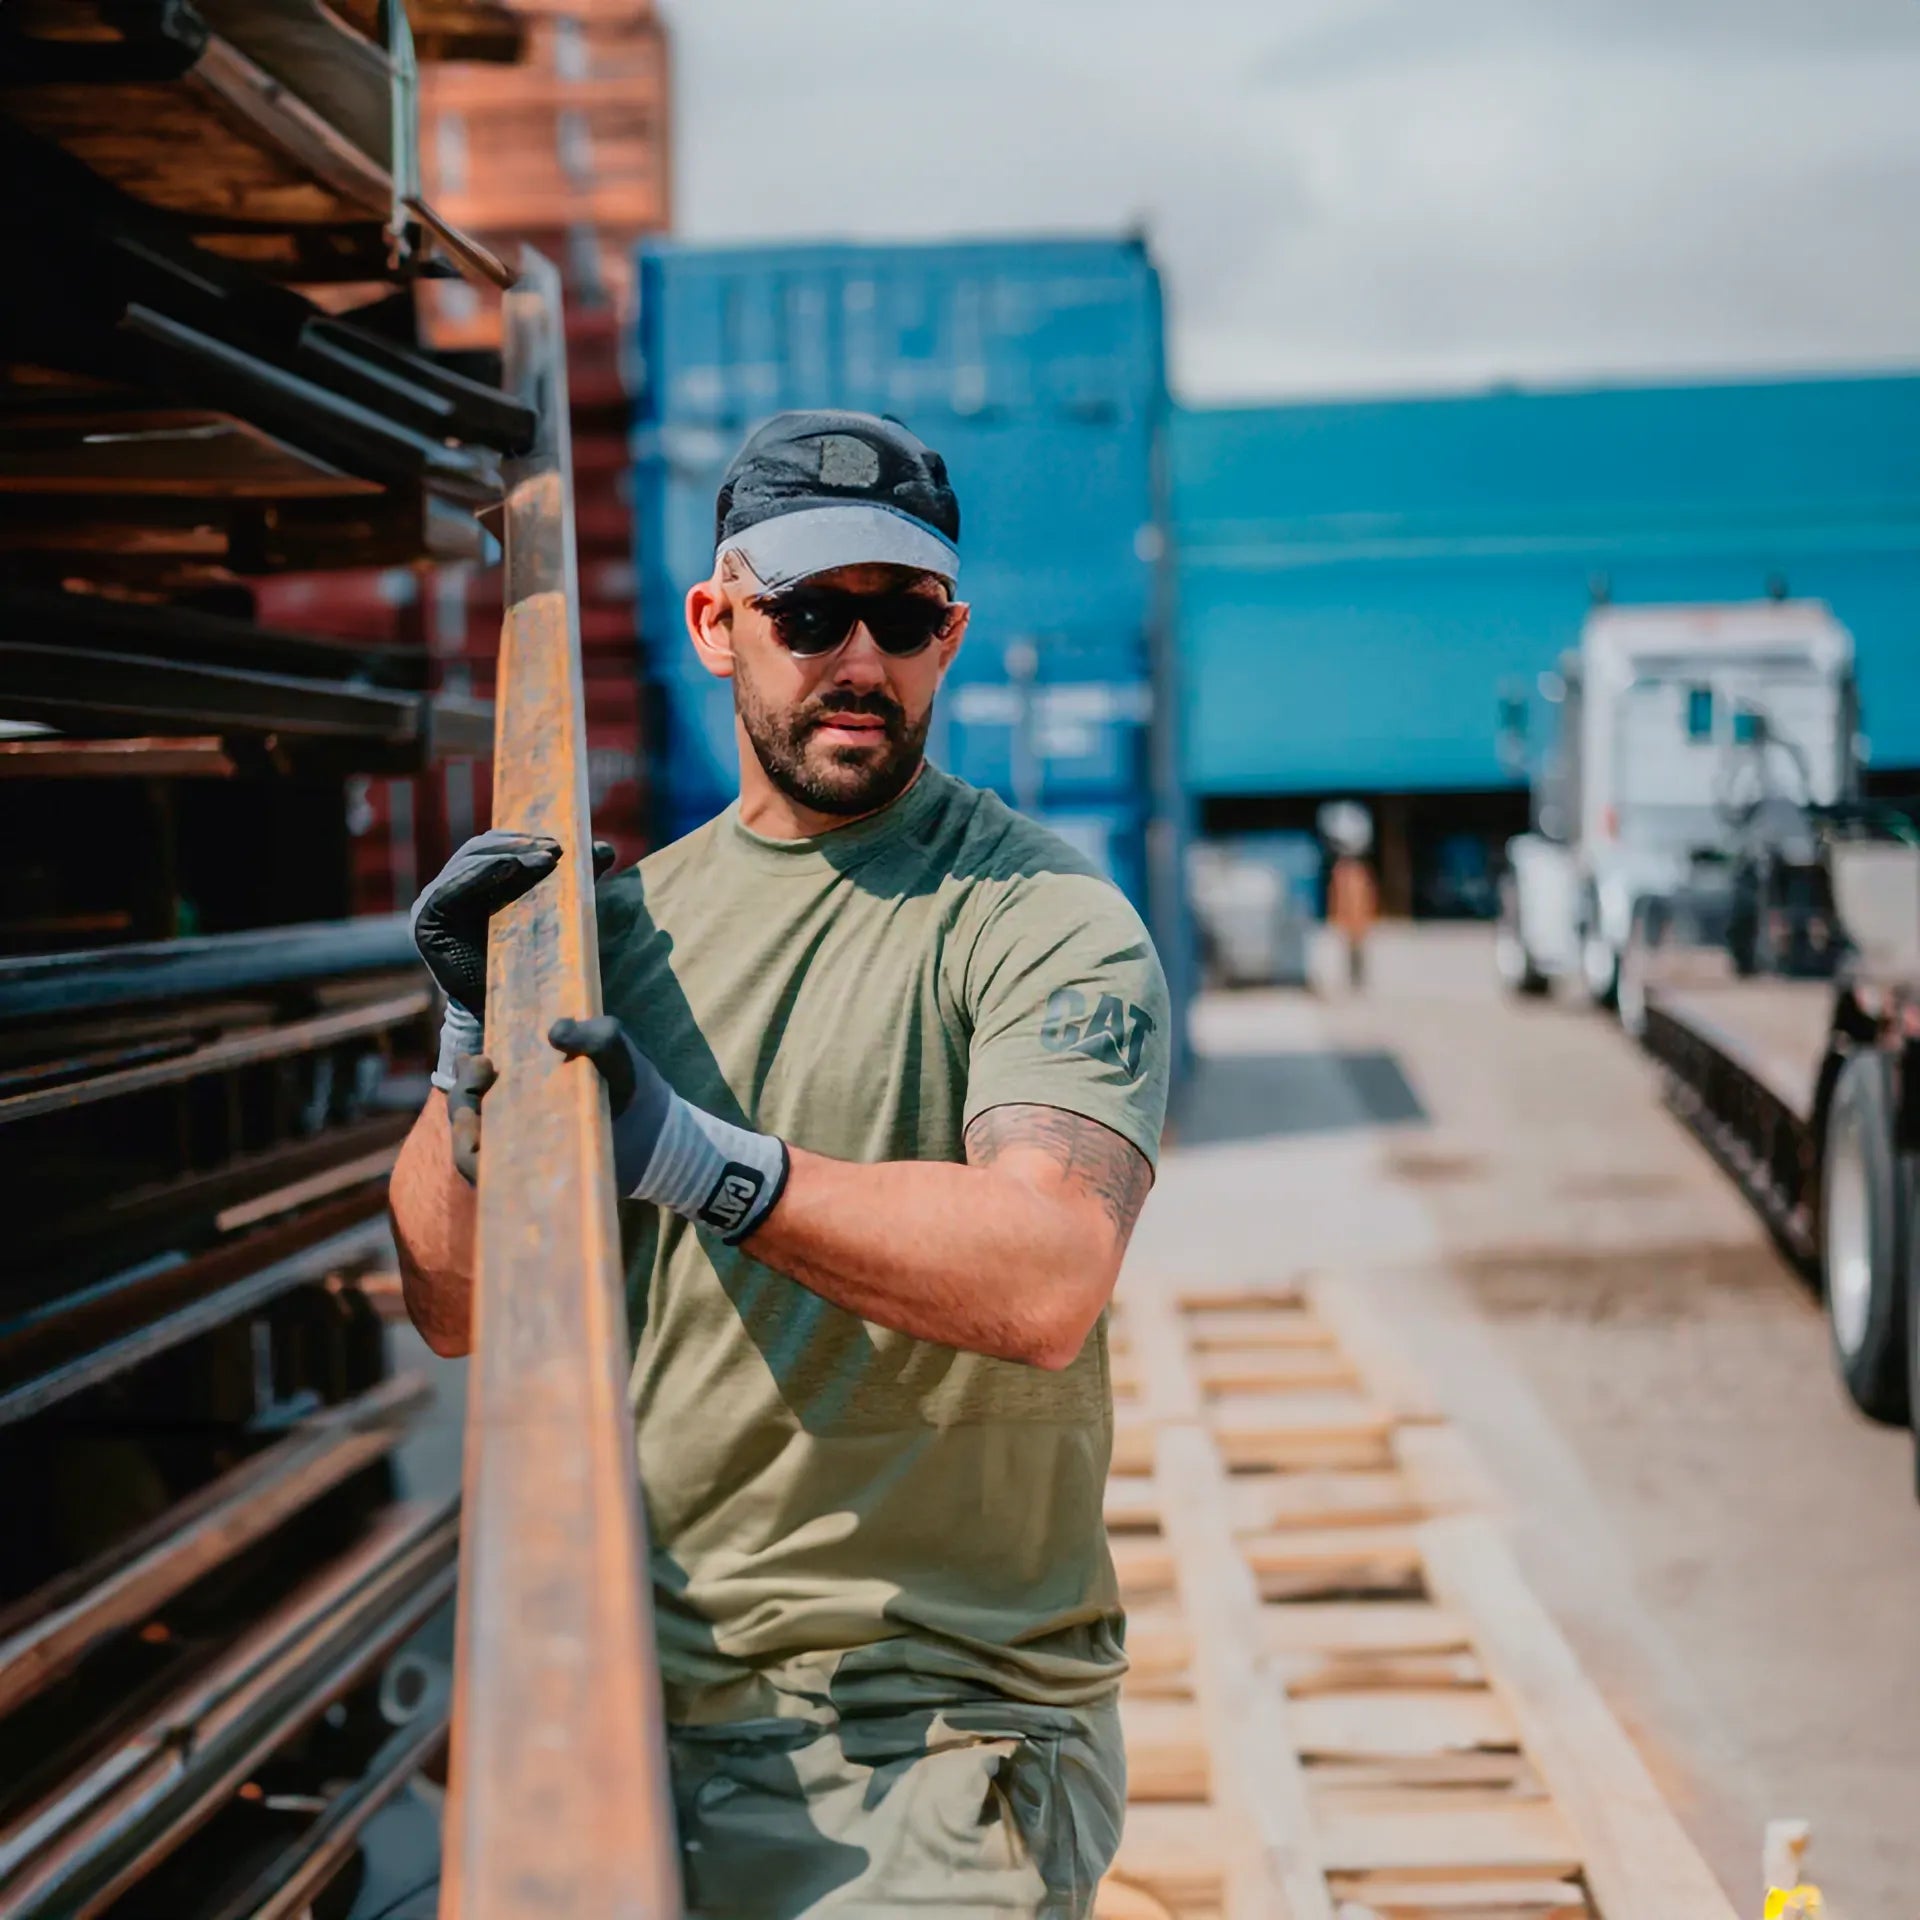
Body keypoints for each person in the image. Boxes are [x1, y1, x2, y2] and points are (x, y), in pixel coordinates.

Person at [389, 410, 1171, 1919]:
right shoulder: (611, 935)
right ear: (716, 623)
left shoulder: (1039, 920)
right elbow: (451, 1303)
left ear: (951, 635)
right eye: (812, 613)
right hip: (636, 1699)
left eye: (905, 616)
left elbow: (1051, 1270)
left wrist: (698, 1159)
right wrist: (462, 1059)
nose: (861, 660)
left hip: (930, 1734)